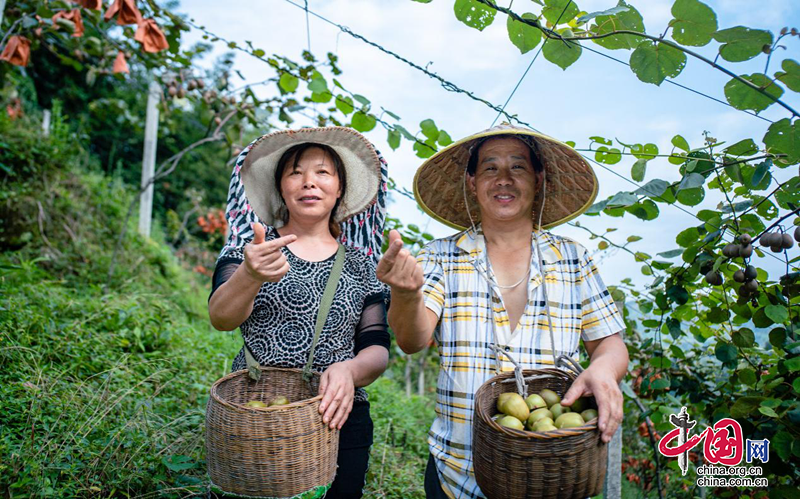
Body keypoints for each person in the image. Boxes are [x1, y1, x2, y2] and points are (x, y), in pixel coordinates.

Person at [376, 124, 629, 498]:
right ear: (472, 181)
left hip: (554, 473)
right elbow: (411, 340)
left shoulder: (573, 259)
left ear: (539, 179)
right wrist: (406, 292)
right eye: (491, 168)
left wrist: (604, 370)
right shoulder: (440, 257)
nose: (504, 180)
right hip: (457, 473)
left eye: (518, 168)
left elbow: (610, 344)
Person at [208, 127, 390, 499]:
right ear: (281, 188)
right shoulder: (251, 251)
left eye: (323, 172)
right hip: (254, 419)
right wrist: (250, 274)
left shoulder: (362, 267)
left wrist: (349, 370)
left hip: (337, 419)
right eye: (295, 172)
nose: (309, 182)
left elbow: (376, 348)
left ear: (340, 188)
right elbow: (221, 317)